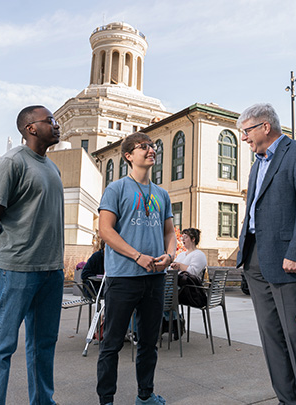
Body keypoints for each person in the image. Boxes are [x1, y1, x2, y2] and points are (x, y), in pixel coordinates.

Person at [0, 105, 64, 405]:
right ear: (31, 128)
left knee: (44, 345)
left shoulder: (52, 167)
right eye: (50, 120)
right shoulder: (11, 163)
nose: (57, 124)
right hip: (16, 270)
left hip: (51, 272)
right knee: (0, 347)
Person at [236, 103, 296, 405]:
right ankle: (287, 400)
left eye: (246, 131)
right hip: (255, 256)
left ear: (265, 127)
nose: (244, 138)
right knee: (271, 337)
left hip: (287, 259)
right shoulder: (257, 163)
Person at [96, 132, 177, 405]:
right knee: (112, 343)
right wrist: (137, 256)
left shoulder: (161, 194)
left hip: (155, 278)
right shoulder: (116, 189)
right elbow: (105, 231)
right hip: (123, 277)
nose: (151, 150)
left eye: (153, 146)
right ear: (129, 155)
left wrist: (170, 254)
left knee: (148, 342)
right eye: (144, 147)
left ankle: (145, 395)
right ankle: (106, 400)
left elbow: (169, 232)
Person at [172, 228, 207, 308]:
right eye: (182, 237)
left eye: (186, 237)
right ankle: (172, 318)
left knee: (163, 293)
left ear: (193, 239)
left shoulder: (199, 255)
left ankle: (172, 318)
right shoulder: (181, 255)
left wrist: (179, 265)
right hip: (178, 286)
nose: (183, 240)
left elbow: (193, 272)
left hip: (190, 290)